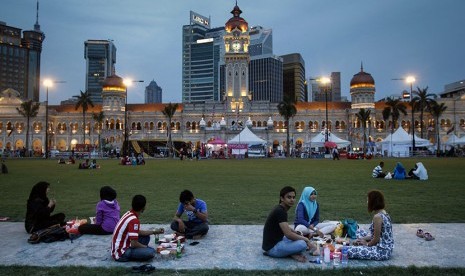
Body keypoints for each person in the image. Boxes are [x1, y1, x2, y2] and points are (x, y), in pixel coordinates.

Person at [262, 186, 316, 262]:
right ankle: (291, 253)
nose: (292, 200)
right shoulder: (280, 211)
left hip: (276, 242)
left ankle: (291, 253)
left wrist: (296, 233)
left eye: (293, 197)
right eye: (289, 197)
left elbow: (285, 227)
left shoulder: (280, 208)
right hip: (272, 248)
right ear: (282, 198)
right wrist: (306, 240)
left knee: (298, 237)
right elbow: (288, 234)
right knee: (302, 244)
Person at [111, 195, 164, 262]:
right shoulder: (134, 220)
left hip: (119, 248)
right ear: (143, 207)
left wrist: (154, 232)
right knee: (151, 252)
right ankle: (133, 254)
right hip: (121, 253)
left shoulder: (129, 213)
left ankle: (138, 251)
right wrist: (146, 247)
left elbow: (137, 232)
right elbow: (133, 244)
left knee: (146, 237)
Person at [347, 190, 394, 260]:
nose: (367, 202)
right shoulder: (384, 213)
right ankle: (361, 242)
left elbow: (376, 239)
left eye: (368, 200)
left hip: (382, 251)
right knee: (359, 232)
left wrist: (366, 244)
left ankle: (360, 246)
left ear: (373, 202)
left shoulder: (377, 217)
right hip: (386, 247)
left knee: (347, 250)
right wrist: (361, 239)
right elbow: (375, 235)